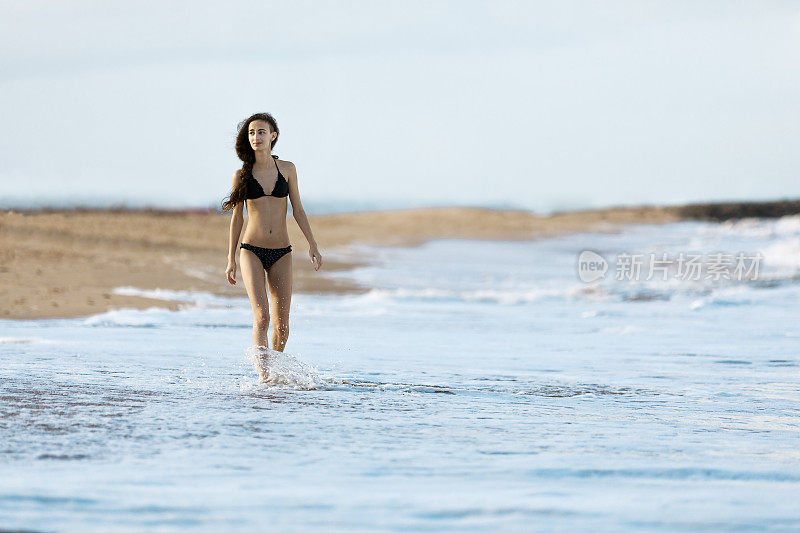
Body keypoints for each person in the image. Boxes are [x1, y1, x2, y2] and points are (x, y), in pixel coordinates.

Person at [221, 112, 322, 352]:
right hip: (251, 251)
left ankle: (275, 371)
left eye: (261, 132)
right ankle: (264, 378)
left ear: (273, 136)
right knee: (262, 318)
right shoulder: (241, 175)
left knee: (282, 325)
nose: (256, 137)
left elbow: (298, 209)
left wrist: (313, 244)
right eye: (251, 133)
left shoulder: (287, 169)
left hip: (281, 252)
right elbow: (237, 218)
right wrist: (230, 258)